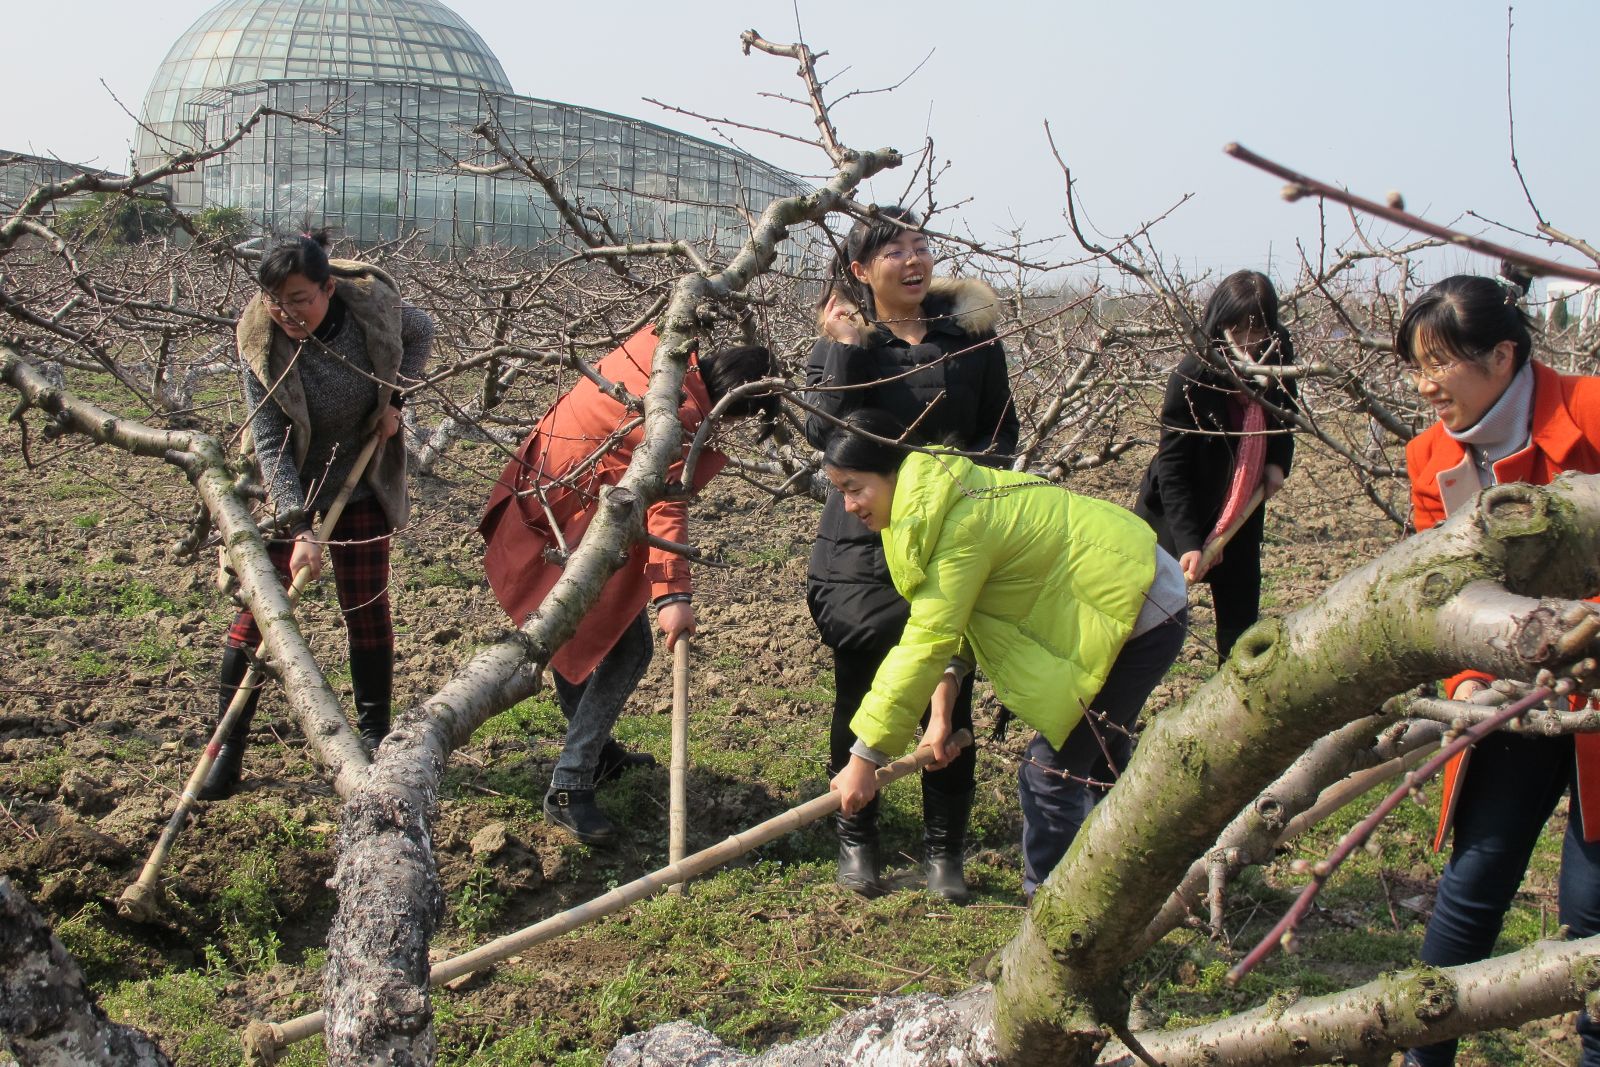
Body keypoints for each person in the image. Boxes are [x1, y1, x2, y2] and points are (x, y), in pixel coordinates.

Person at [821, 410, 1189, 900]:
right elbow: (957, 624)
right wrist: (940, 716)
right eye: (840, 492)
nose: (847, 506)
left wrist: (865, 755)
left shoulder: (955, 522)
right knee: (1102, 760)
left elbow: (927, 639)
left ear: (891, 470)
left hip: (1137, 610)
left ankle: (1056, 919)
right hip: (1128, 597)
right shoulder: (932, 501)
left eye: (854, 488)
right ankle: (1138, 881)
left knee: (1050, 775)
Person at [1398, 271, 1600, 1067]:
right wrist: (1469, 684)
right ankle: (1424, 1054)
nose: (1426, 385)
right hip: (1512, 694)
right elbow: (1446, 597)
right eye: (1417, 366)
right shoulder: (1431, 458)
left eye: (1440, 362)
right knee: (1473, 881)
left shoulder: (1592, 411)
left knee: (1593, 909)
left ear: (1504, 354)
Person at [479, 327, 777, 845]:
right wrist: (674, 597)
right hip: (563, 525)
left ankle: (597, 755)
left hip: (547, 496)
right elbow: (666, 509)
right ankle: (570, 784)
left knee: (578, 633)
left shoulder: (657, 351)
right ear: (732, 407)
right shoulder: (677, 420)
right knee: (628, 649)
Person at [803, 206, 1019, 903]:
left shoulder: (971, 341)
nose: (914, 260)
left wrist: (956, 490)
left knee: (950, 692)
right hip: (861, 542)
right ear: (862, 270)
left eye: (921, 246)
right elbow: (821, 431)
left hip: (952, 537)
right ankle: (857, 836)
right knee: (860, 687)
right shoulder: (843, 342)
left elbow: (1001, 434)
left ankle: (944, 849)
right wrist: (843, 347)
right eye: (894, 251)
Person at [199, 231, 433, 800]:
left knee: (366, 609)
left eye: (300, 299)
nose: (287, 312)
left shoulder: (369, 309)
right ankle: (226, 749)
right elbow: (270, 442)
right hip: (290, 488)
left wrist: (395, 401)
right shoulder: (260, 343)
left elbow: (420, 329)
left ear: (328, 289)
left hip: (359, 483)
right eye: (276, 301)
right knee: (260, 616)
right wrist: (298, 525)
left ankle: (374, 736)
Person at [1135, 269, 1299, 662]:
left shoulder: (1277, 363)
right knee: (1149, 619)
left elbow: (1284, 418)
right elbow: (1172, 466)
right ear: (1219, 323)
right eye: (1236, 328)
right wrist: (1189, 542)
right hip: (1178, 513)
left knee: (1239, 628)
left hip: (1240, 510)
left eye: (1257, 330)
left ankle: (1235, 688)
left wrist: (1277, 462)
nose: (1247, 341)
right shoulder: (1192, 376)